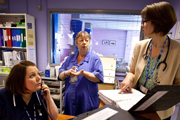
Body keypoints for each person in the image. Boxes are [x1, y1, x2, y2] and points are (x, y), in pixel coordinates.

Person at [118, 1, 180, 120]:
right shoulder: (140, 46)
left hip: (159, 111)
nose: (142, 25)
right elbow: (132, 71)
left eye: (145, 21)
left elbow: (177, 85)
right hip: (136, 103)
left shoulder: (177, 49)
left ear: (158, 23)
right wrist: (128, 79)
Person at [58, 31, 104, 116]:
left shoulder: (95, 59)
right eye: (81, 40)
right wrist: (67, 73)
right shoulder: (69, 58)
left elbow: (98, 78)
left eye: (86, 40)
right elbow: (60, 76)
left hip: (87, 99)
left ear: (89, 43)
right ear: (76, 43)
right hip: (70, 99)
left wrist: (83, 73)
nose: (84, 43)